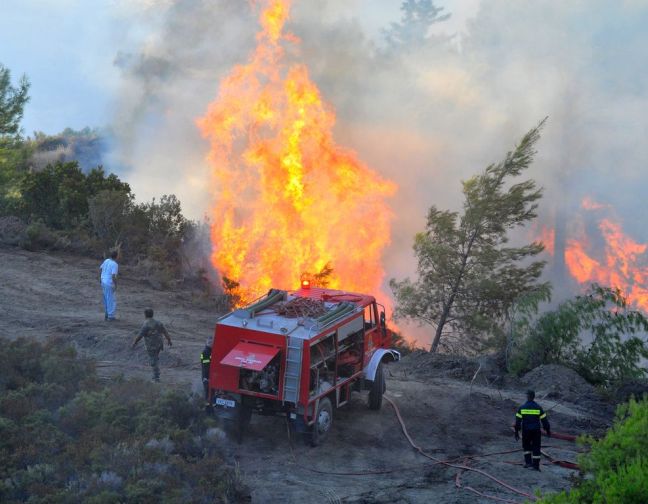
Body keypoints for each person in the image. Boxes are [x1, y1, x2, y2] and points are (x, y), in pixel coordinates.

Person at [132, 308, 173, 382]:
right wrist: (169, 340)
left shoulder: (146, 324)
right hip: (159, 344)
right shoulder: (158, 323)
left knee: (153, 361)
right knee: (155, 358)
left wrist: (135, 342)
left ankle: (156, 377)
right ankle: (156, 372)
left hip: (151, 345)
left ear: (145, 315)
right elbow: (165, 332)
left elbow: (140, 335)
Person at [514, 390, 551, 471]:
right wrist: (548, 430)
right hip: (536, 431)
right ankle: (536, 466)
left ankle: (528, 463)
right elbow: (544, 421)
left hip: (526, 431)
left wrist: (516, 432)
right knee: (536, 447)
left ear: (527, 397)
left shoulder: (522, 408)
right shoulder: (538, 408)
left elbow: (518, 422)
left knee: (526, 446)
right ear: (534, 397)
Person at [99, 251, 119, 321]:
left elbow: (101, 269)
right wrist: (116, 284)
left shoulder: (106, 260)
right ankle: (110, 316)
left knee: (106, 298)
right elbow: (113, 276)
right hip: (108, 283)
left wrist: (100, 278)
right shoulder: (115, 264)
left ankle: (107, 313)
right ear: (116, 256)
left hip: (103, 281)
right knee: (111, 299)